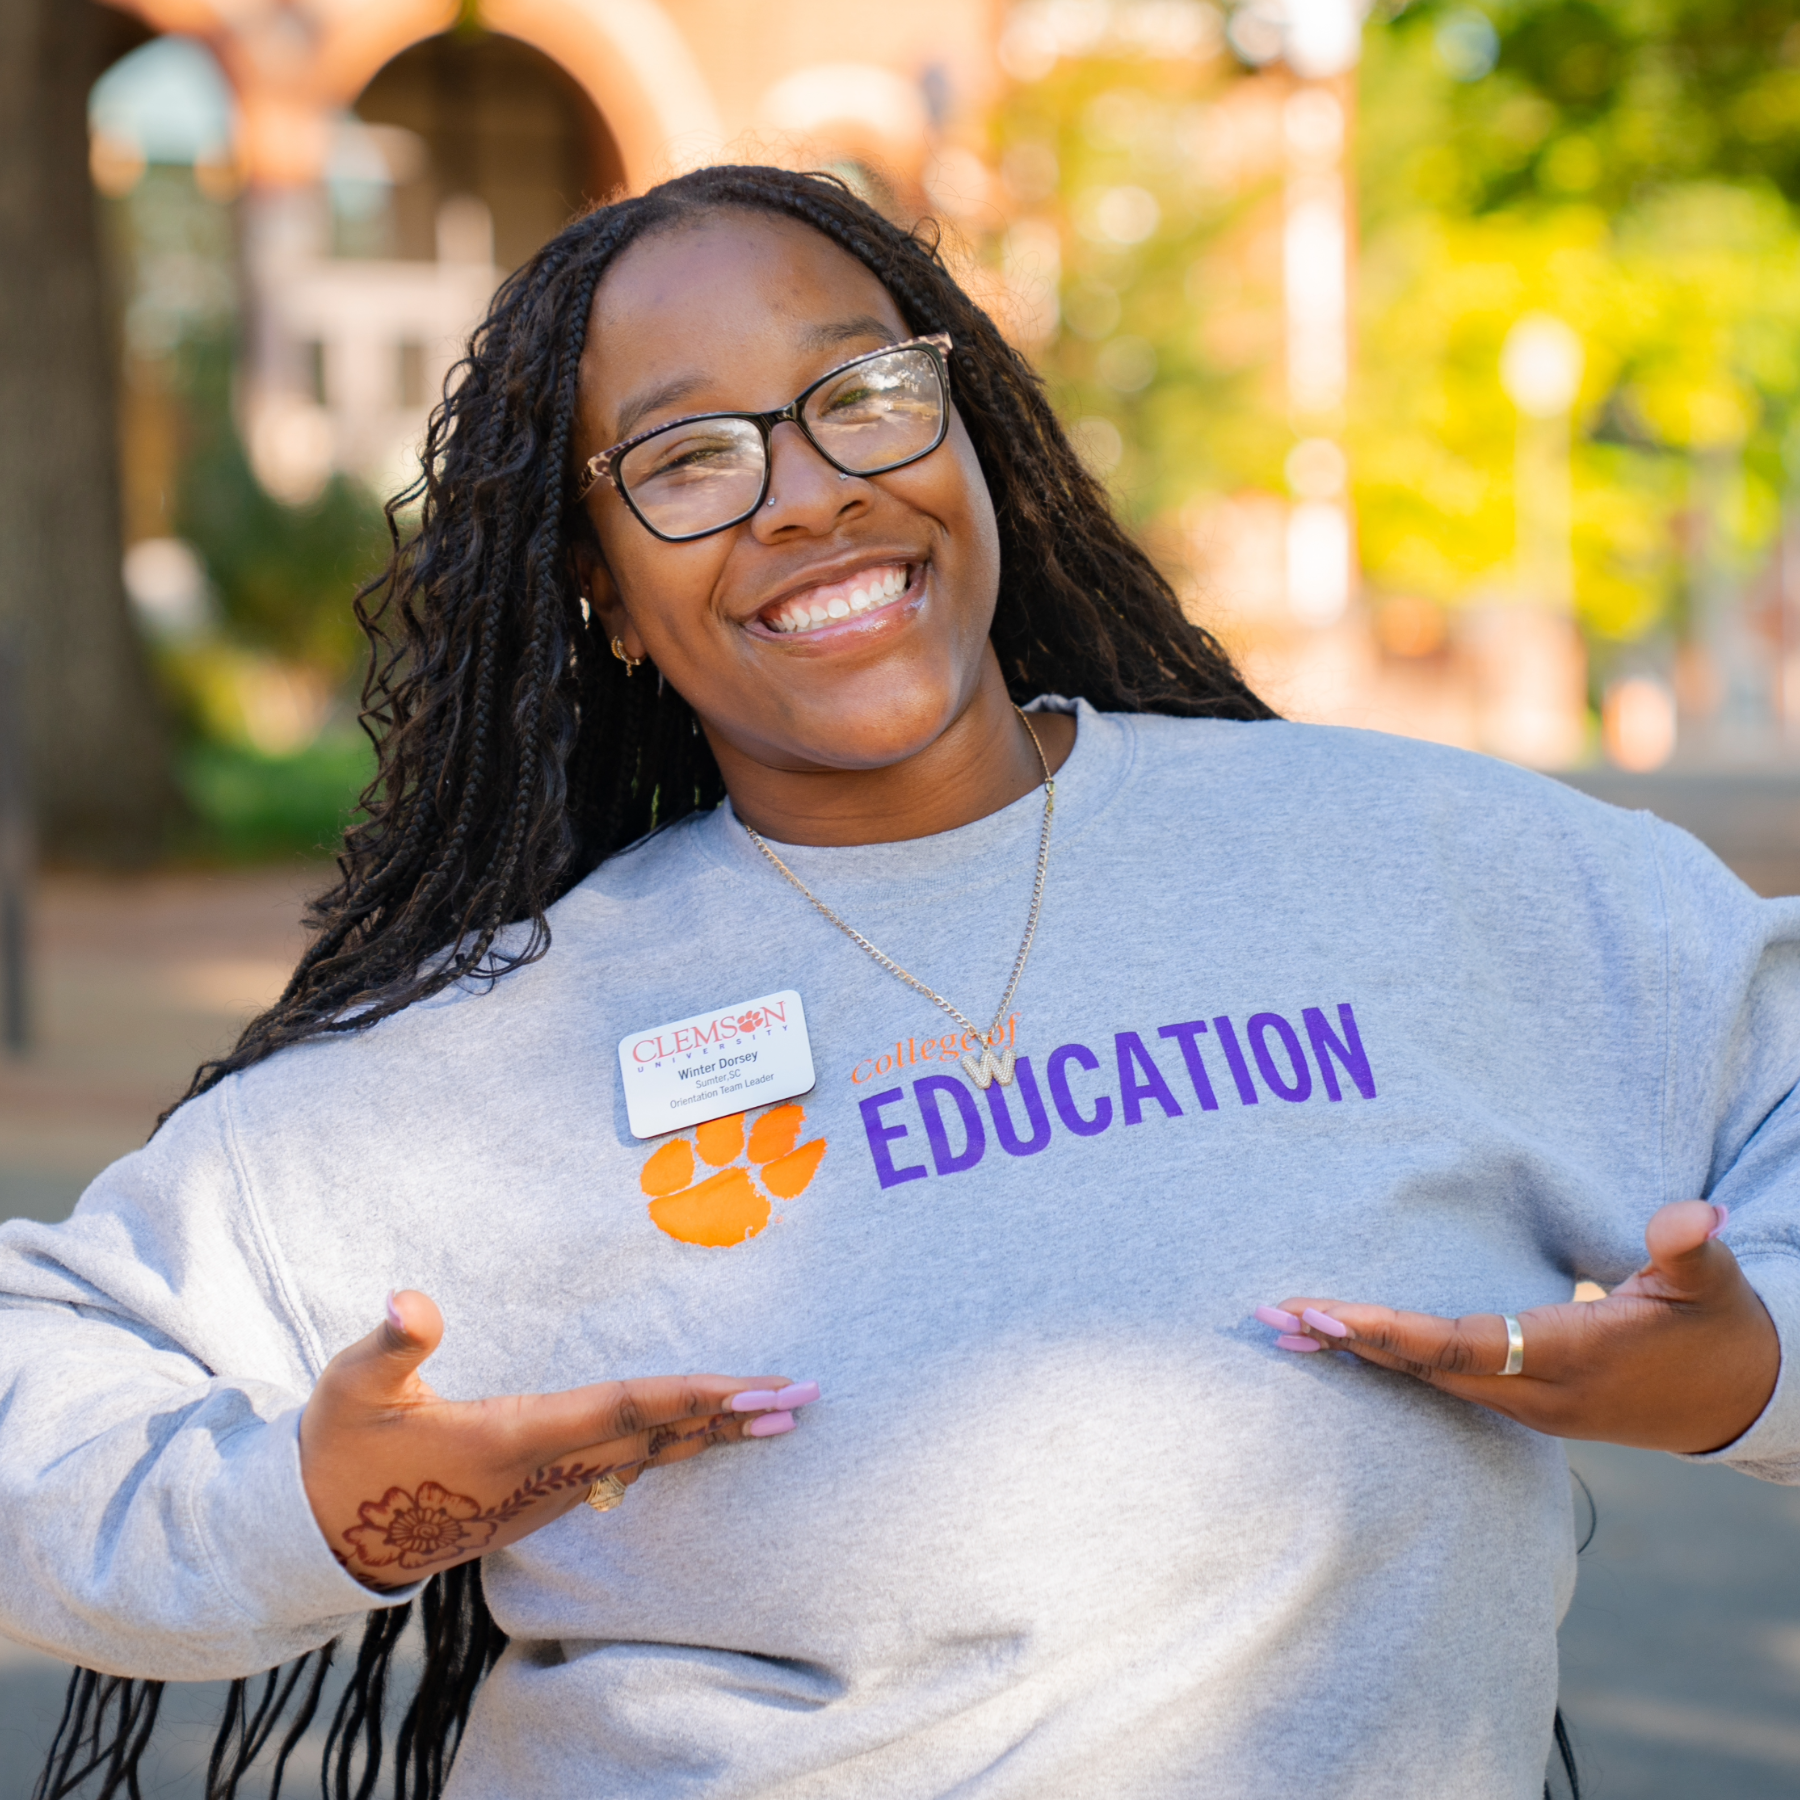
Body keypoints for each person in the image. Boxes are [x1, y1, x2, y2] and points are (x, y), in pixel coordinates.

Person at [1, 163, 1794, 1800]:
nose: (808, 495)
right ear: (603, 591)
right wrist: (325, 1509)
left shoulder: (1415, 863)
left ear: (970, 434)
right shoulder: (499, 1048)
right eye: (689, 458)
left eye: (860, 396)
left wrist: (1753, 1368)